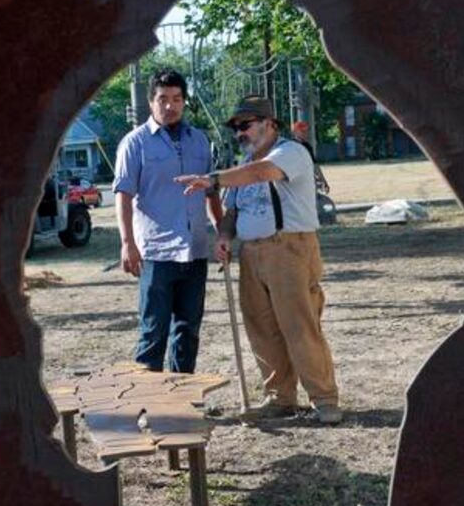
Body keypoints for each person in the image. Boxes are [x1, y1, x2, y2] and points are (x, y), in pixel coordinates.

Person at [175, 96, 342, 424]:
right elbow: (232, 211)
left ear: (269, 124)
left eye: (246, 124)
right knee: (261, 328)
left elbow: (262, 173)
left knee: (299, 325)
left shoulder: (290, 152)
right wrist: (224, 237)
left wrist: (214, 178)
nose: (240, 132)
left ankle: (325, 400)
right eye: (236, 127)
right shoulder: (243, 164)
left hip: (289, 249)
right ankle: (280, 398)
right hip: (251, 253)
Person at [113, 68, 223, 372]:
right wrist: (127, 244)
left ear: (185, 101)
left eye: (177, 99)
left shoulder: (199, 141)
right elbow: (123, 196)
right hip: (156, 255)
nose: (170, 106)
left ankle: (181, 405)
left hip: (195, 252)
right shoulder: (135, 144)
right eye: (163, 99)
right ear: (151, 102)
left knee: (188, 332)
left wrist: (222, 232)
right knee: (153, 334)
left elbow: (212, 190)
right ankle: (148, 406)